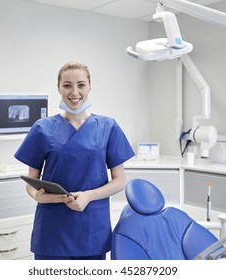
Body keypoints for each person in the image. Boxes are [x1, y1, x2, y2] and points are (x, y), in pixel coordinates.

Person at [14, 61, 135, 260]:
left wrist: (88, 196)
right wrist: (38, 196)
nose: (74, 92)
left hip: (91, 226)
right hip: (52, 228)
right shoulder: (42, 128)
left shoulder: (108, 126)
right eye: (67, 85)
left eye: (81, 85)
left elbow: (119, 181)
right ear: (59, 88)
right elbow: (31, 182)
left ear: (89, 87)